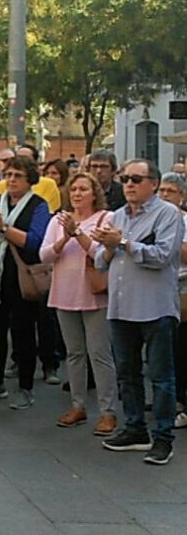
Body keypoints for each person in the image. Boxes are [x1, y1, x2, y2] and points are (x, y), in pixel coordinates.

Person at [94, 159, 184, 466]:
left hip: (155, 307)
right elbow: (99, 260)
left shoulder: (168, 214)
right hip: (121, 306)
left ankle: (163, 438)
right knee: (127, 374)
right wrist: (107, 246)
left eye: (136, 179)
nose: (128, 184)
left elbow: (162, 255)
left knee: (160, 377)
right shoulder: (118, 215)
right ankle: (135, 429)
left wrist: (122, 242)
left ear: (154, 184)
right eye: (125, 179)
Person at [40, 172, 118, 435]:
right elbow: (45, 254)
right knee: (74, 353)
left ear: (94, 193)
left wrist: (79, 234)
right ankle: (78, 406)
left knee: (99, 353)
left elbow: (101, 255)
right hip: (64, 293)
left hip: (94, 294)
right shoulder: (58, 220)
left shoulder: (106, 219)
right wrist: (64, 236)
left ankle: (108, 412)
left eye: (83, 189)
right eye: (73, 189)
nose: (77, 194)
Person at [0, 155, 51, 409]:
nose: (12, 180)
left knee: (23, 331)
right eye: (8, 175)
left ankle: (25, 387)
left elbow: (35, 241)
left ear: (30, 180)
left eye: (18, 175)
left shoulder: (38, 206)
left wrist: (4, 228)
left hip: (22, 275)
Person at [156, 173, 187, 429]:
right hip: (155, 290)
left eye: (170, 191)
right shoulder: (152, 219)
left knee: (181, 348)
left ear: (182, 196)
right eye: (161, 191)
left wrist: (164, 244)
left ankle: (180, 402)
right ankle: (168, 399)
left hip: (182, 290)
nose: (164, 196)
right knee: (161, 351)